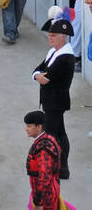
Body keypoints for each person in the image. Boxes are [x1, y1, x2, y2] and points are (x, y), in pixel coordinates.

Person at [33, 17, 74, 180]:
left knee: (50, 135)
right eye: (49, 35)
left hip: (56, 102)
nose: (50, 38)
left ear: (63, 36)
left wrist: (38, 76)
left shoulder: (65, 58)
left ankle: (51, 168)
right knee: (59, 133)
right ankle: (62, 168)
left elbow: (45, 78)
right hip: (52, 100)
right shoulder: (54, 52)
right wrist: (37, 75)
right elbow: (37, 71)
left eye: (54, 35)